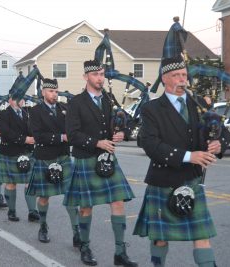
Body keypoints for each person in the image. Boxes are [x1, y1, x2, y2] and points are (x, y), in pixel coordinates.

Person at [132, 56, 230, 267]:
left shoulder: (198, 105)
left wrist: (219, 143)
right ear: (165, 79)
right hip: (163, 179)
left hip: (191, 180)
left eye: (184, 75)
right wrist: (189, 156)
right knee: (160, 237)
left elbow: (222, 132)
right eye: (176, 75)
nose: (182, 80)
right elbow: (150, 144)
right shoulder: (152, 109)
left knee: (201, 235)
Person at [64, 60, 137, 267]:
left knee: (118, 202)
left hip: (107, 159)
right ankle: (85, 247)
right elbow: (72, 134)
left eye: (102, 74)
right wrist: (96, 142)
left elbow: (123, 122)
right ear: (86, 77)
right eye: (96, 74)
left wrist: (122, 132)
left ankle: (120, 252)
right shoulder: (76, 103)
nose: (100, 78)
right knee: (86, 207)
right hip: (87, 158)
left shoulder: (108, 100)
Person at [27, 78, 81, 245]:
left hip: (63, 157)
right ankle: (43, 226)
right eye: (51, 91)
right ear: (43, 92)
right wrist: (61, 137)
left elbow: (73, 129)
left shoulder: (65, 108)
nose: (54, 94)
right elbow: (37, 135)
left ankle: (77, 233)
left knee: (71, 196)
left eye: (56, 91)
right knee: (44, 197)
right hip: (45, 157)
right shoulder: (35, 111)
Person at [0, 92, 39, 222]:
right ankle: (11, 211)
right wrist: (25, 139)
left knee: (29, 182)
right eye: (19, 98)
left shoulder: (25, 113)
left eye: (23, 98)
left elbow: (30, 130)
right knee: (11, 183)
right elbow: (7, 133)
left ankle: (32, 212)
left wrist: (35, 136)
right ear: (11, 100)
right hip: (10, 152)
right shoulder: (4, 114)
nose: (22, 101)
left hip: (26, 152)